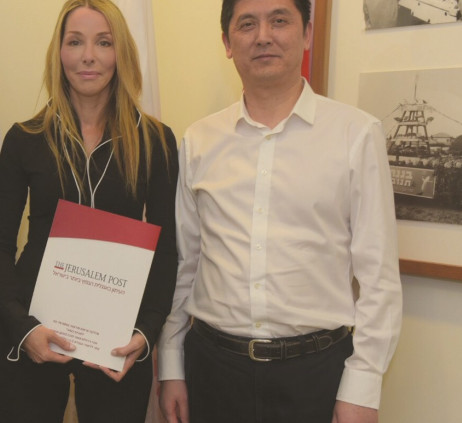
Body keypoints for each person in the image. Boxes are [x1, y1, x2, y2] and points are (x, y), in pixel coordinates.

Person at [158, 1, 403, 422]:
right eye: (247, 24)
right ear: (227, 43)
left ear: (306, 33)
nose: (263, 36)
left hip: (316, 375)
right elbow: (185, 265)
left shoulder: (356, 134)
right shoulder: (199, 140)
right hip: (213, 370)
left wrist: (363, 387)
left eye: (279, 20)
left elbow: (378, 277)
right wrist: (171, 365)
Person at [0, 1, 178, 422]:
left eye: (103, 43)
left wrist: (146, 332)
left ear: (121, 53)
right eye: (75, 42)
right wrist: (22, 327)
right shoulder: (25, 138)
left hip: (118, 345)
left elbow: (167, 251)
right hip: (31, 336)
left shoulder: (156, 142)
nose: (88, 56)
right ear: (59, 53)